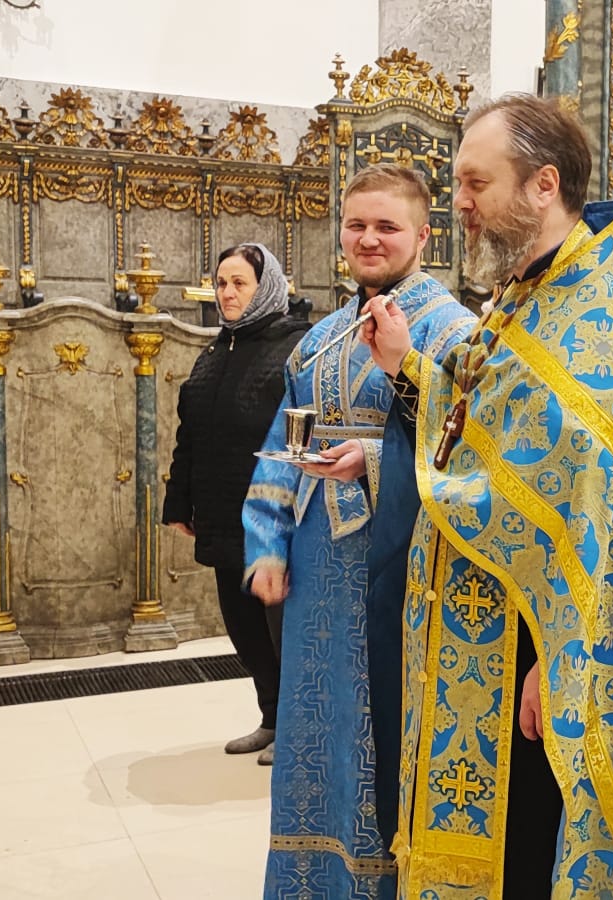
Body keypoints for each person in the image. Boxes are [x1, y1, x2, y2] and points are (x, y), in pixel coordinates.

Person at [362, 93, 613, 898]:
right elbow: (490, 430)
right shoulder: (531, 289)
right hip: (487, 631)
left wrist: (559, 657)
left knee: (531, 847)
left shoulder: (598, 310)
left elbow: (598, 511)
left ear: (543, 185)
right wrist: (412, 367)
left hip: (538, 647)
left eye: (475, 182)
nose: (459, 203)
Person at [243, 164, 473, 900]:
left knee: (382, 733)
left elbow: (472, 453)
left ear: (424, 235)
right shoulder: (318, 338)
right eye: (356, 225)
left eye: (387, 226)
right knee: (316, 731)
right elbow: (282, 444)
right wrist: (266, 545)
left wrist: (372, 459)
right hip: (315, 571)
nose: (369, 239)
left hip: (399, 569)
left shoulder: (453, 332)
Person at [163, 243, 310, 766]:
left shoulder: (294, 346)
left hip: (273, 519)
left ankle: (296, 728)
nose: (226, 293)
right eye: (221, 283)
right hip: (222, 513)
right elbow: (190, 434)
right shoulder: (214, 351)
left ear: (265, 287)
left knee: (282, 630)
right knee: (244, 629)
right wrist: (179, 500)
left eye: (239, 283)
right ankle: (271, 718)